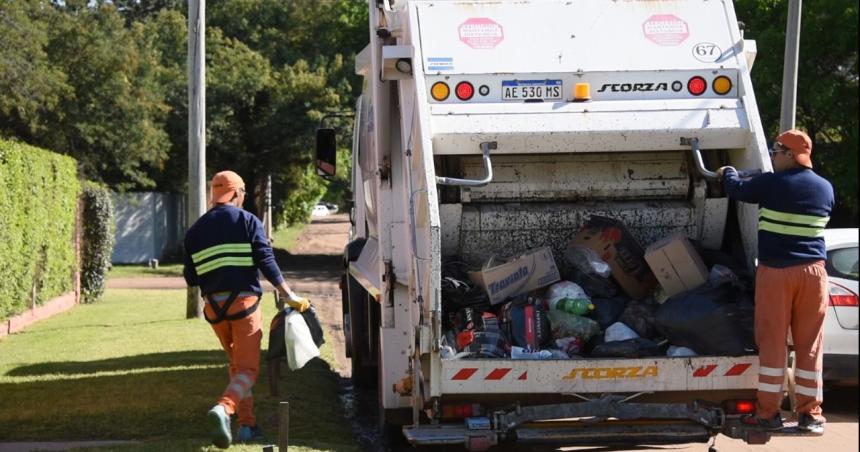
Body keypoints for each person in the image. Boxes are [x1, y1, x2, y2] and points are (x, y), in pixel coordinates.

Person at [717, 129, 834, 434]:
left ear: (789, 155)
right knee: (810, 345)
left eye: (776, 152)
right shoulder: (825, 188)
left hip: (778, 274)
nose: (772, 157)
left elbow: (737, 190)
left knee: (773, 343)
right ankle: (811, 414)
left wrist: (728, 171)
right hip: (814, 274)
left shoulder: (771, 184)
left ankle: (769, 413)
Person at [183, 170, 311, 448]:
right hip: (245, 307)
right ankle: (224, 408)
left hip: (215, 311)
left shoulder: (195, 231)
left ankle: (247, 426)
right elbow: (266, 261)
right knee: (249, 369)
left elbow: (191, 278)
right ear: (236, 193)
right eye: (241, 193)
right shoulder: (248, 221)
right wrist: (288, 295)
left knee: (237, 367)